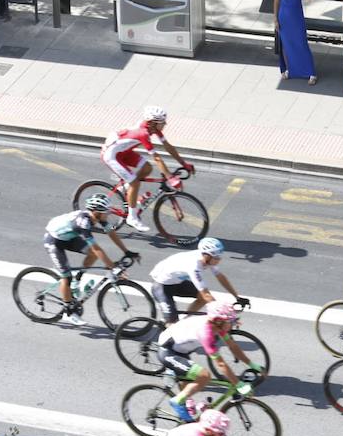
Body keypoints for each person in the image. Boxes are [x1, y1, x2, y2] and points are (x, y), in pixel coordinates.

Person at [158, 302, 262, 422]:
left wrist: (251, 364)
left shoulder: (218, 327)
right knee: (204, 376)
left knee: (189, 382)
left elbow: (233, 346)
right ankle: (176, 401)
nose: (233, 324)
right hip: (168, 351)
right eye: (230, 321)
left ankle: (186, 414)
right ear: (219, 321)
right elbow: (221, 364)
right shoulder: (206, 333)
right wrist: (238, 384)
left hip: (180, 349)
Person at [44, 195, 138, 326]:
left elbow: (112, 234)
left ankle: (78, 280)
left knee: (92, 255)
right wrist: (113, 267)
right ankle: (68, 312)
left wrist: (126, 251)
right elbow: (96, 248)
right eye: (106, 212)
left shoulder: (99, 217)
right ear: (97, 212)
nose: (108, 214)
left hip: (68, 237)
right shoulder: (84, 222)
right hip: (54, 241)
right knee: (66, 277)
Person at [100, 106, 194, 232]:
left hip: (124, 152)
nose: (165, 124)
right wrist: (170, 178)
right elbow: (157, 158)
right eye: (162, 122)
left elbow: (168, 147)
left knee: (147, 168)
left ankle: (127, 188)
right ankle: (132, 218)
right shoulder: (143, 133)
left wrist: (184, 163)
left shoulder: (152, 128)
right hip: (111, 156)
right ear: (153, 123)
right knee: (134, 182)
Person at [149, 238, 249, 326]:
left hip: (176, 282)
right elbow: (206, 294)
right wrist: (224, 313)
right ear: (207, 256)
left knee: (201, 300)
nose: (218, 261)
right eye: (216, 258)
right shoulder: (194, 266)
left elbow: (220, 277)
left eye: (219, 257)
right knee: (172, 326)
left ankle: (184, 322)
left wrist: (237, 297)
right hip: (161, 285)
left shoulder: (208, 259)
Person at [273, 0, 317, 85]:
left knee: (302, 44)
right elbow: (276, 1)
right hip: (284, 19)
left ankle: (311, 72)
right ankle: (290, 70)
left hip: (297, 18)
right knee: (287, 46)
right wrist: (275, 18)